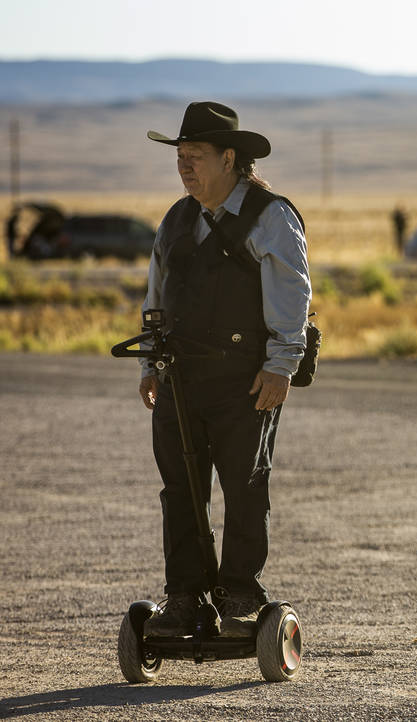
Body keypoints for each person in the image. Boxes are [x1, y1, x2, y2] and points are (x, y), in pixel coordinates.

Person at [137, 101, 311, 638]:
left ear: (230, 159)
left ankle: (238, 592)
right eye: (180, 157)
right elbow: (157, 294)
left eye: (196, 157)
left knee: (243, 485)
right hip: (179, 379)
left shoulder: (270, 215)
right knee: (181, 489)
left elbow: (293, 296)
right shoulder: (176, 217)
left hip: (247, 379)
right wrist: (149, 362)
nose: (185, 166)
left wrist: (282, 365)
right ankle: (185, 598)